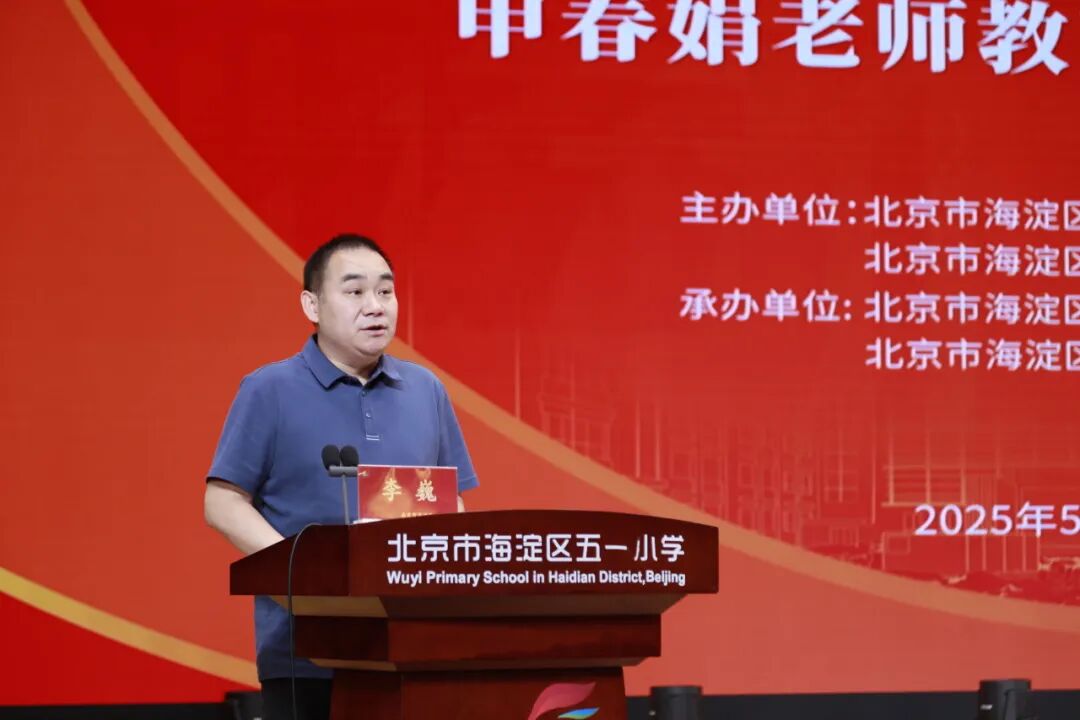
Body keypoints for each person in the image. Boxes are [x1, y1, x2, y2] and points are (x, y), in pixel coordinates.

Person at [204, 234, 478, 720]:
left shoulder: (425, 390)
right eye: (354, 292)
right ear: (312, 305)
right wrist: (306, 578)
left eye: (385, 291)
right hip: (307, 651)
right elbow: (222, 502)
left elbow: (449, 504)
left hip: (410, 647)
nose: (375, 306)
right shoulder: (269, 389)